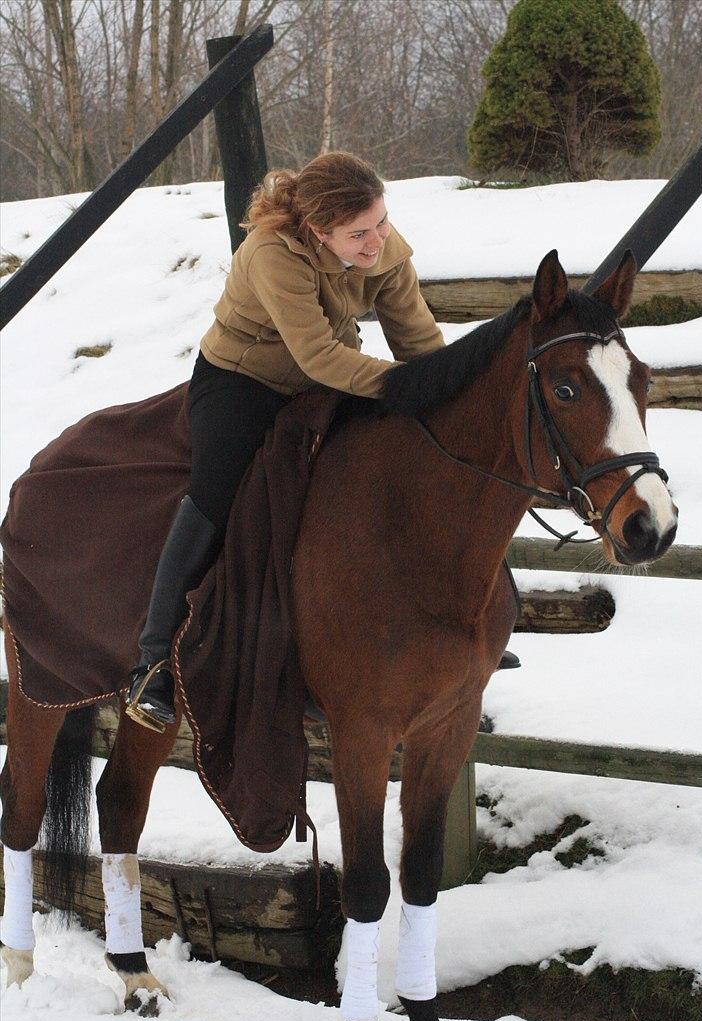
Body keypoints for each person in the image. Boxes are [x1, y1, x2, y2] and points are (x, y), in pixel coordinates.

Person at [127, 151, 518, 733]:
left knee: (412, 460)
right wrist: (407, 385)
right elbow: (318, 354)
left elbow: (419, 343)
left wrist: (448, 396)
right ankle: (155, 660)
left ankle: (460, 629)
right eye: (359, 234)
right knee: (217, 496)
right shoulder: (271, 253)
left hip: (326, 380)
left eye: (381, 222)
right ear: (317, 230)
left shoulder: (383, 250)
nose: (376, 241)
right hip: (243, 383)